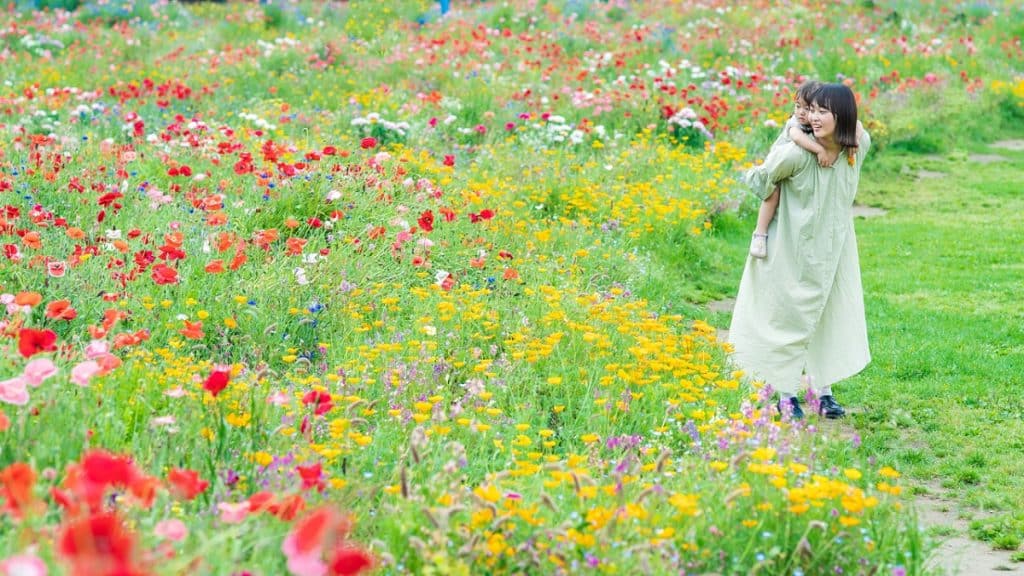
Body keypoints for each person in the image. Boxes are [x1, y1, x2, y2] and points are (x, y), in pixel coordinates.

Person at [728, 83, 871, 420]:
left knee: (828, 317)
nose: (814, 117)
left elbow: (859, 130)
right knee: (786, 318)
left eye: (824, 111)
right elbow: (759, 181)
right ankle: (786, 393)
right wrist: (796, 141)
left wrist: (836, 137)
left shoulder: (855, 149)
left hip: (834, 250)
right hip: (789, 250)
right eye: (812, 111)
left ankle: (824, 392)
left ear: (844, 117)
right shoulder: (795, 155)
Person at [750, 80, 831, 259]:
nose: (801, 113)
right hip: (776, 166)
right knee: (772, 195)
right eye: (797, 106)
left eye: (808, 108)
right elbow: (796, 138)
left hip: (792, 169)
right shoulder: (794, 123)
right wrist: (819, 149)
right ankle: (760, 233)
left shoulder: (818, 122)